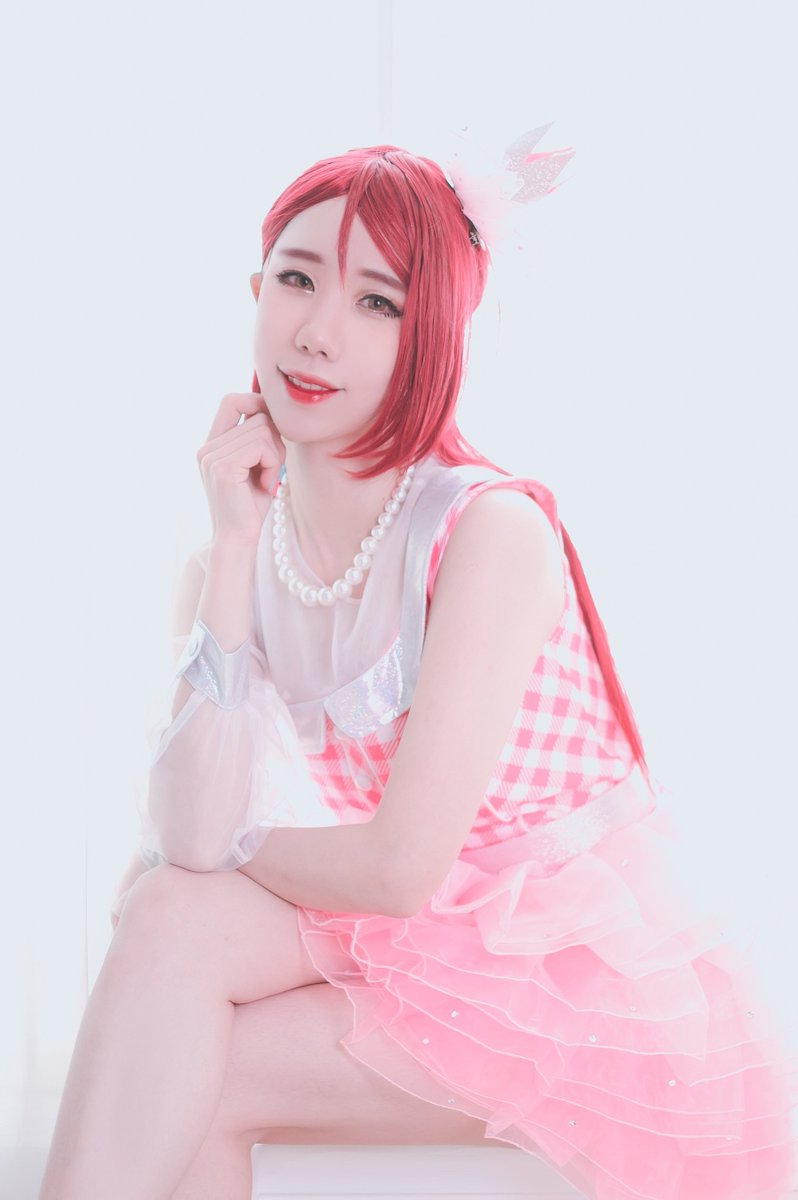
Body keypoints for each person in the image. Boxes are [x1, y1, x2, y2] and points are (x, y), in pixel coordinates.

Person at [38, 144, 796, 1200]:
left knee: (185, 1014)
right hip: (424, 940)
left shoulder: (486, 530)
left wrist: (204, 853)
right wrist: (234, 547)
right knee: (171, 923)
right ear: (255, 293)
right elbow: (189, 823)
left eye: (377, 302)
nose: (317, 331)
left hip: (571, 981)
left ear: (430, 335)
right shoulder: (234, 557)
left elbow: (395, 867)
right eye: (297, 279)